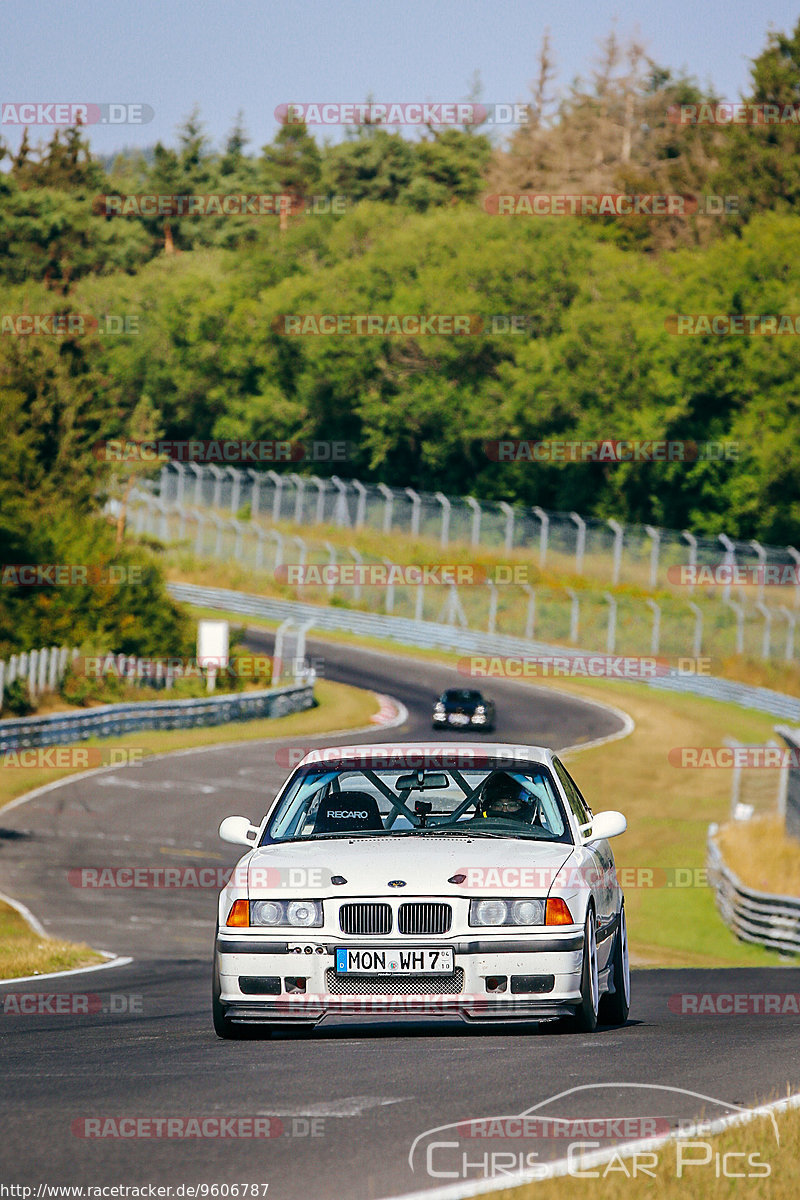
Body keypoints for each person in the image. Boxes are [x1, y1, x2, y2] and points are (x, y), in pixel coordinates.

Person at [473, 771, 538, 824]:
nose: (504, 810)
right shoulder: (472, 833)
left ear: (525, 808)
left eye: (512, 805)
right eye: (497, 805)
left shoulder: (539, 837)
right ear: (487, 806)